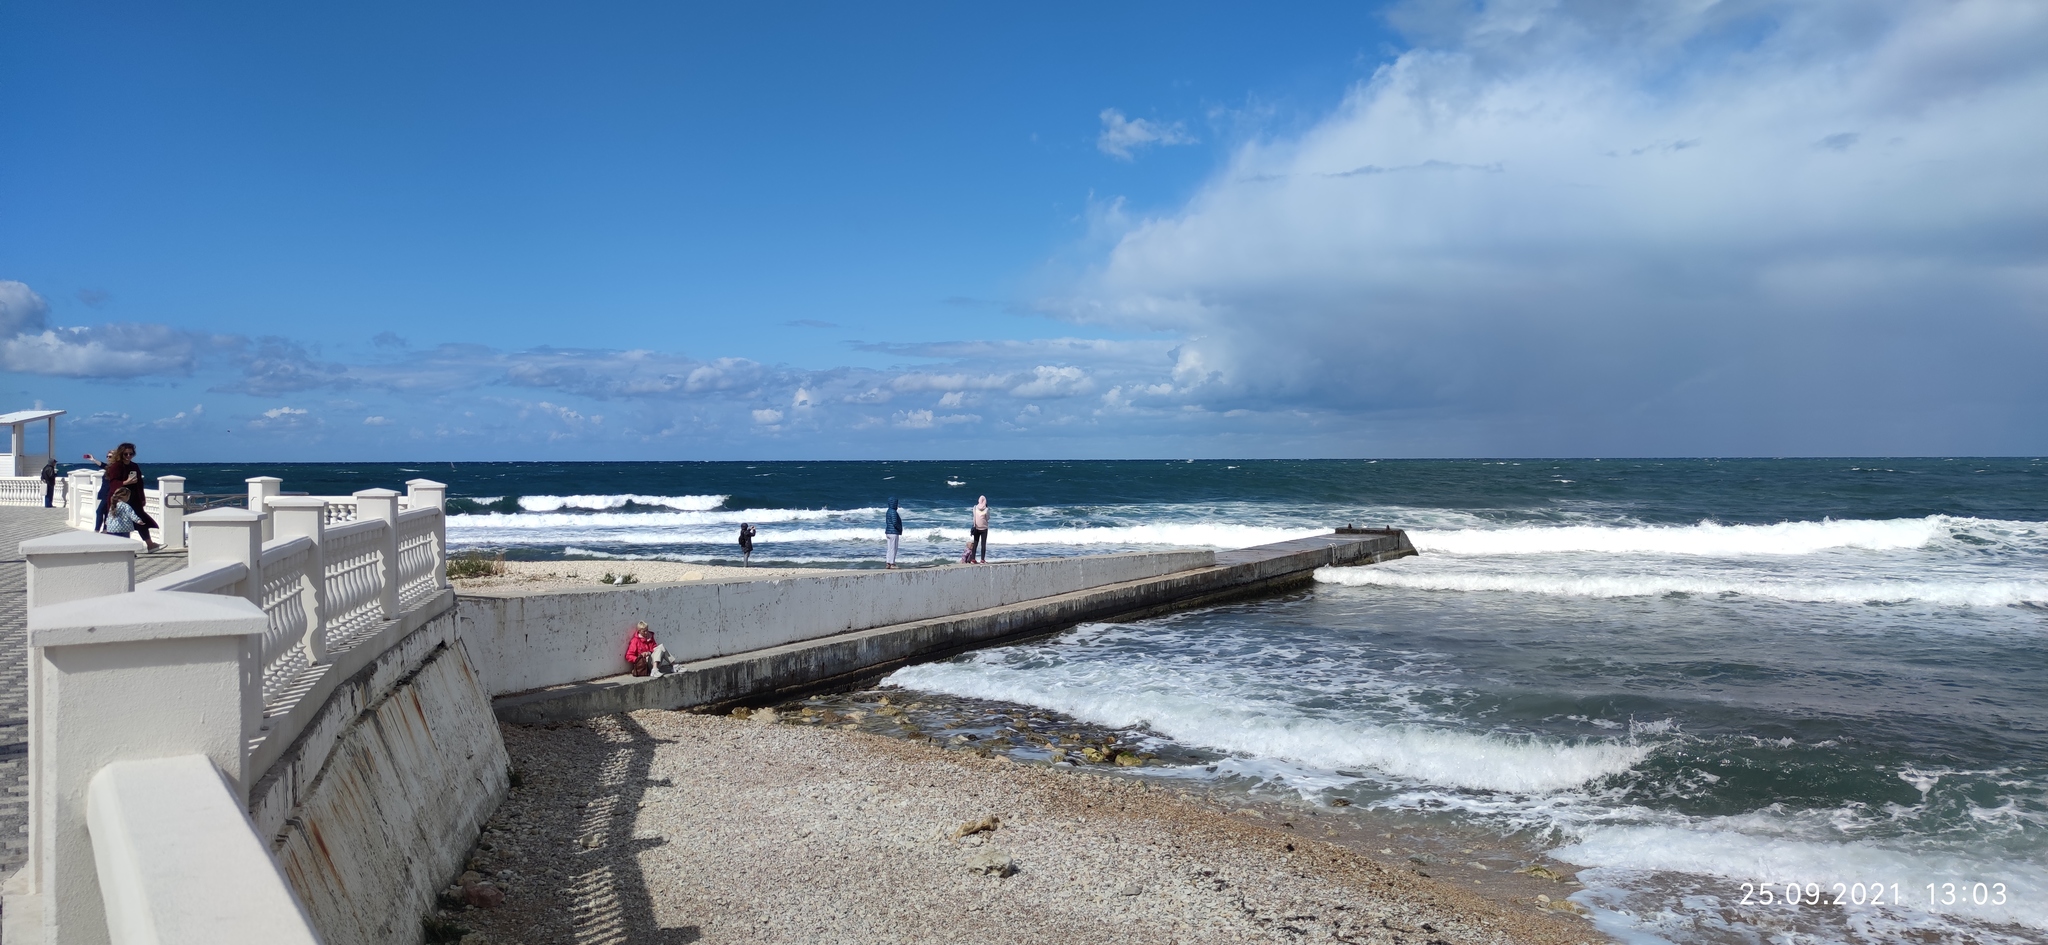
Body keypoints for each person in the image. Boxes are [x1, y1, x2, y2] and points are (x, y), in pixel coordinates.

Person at [95, 444, 161, 551]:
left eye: (131, 453)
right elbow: (113, 483)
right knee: (119, 523)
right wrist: (125, 482)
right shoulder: (116, 466)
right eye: (126, 454)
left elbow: (140, 483)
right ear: (121, 454)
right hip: (119, 498)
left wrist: (142, 498)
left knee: (140, 520)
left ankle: (150, 544)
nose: (128, 456)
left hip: (134, 498)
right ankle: (119, 548)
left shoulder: (134, 466)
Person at [884, 497, 904, 569]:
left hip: (888, 531)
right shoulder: (893, 512)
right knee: (893, 548)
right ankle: (892, 563)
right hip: (893, 532)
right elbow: (895, 522)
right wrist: (899, 528)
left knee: (889, 548)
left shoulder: (888, 511)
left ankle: (888, 562)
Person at [970, 495, 990, 564]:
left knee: (975, 543)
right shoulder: (986, 509)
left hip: (976, 527)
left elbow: (974, 517)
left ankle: (973, 559)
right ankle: (982, 560)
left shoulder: (975, 507)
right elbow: (987, 518)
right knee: (983, 544)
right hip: (984, 528)